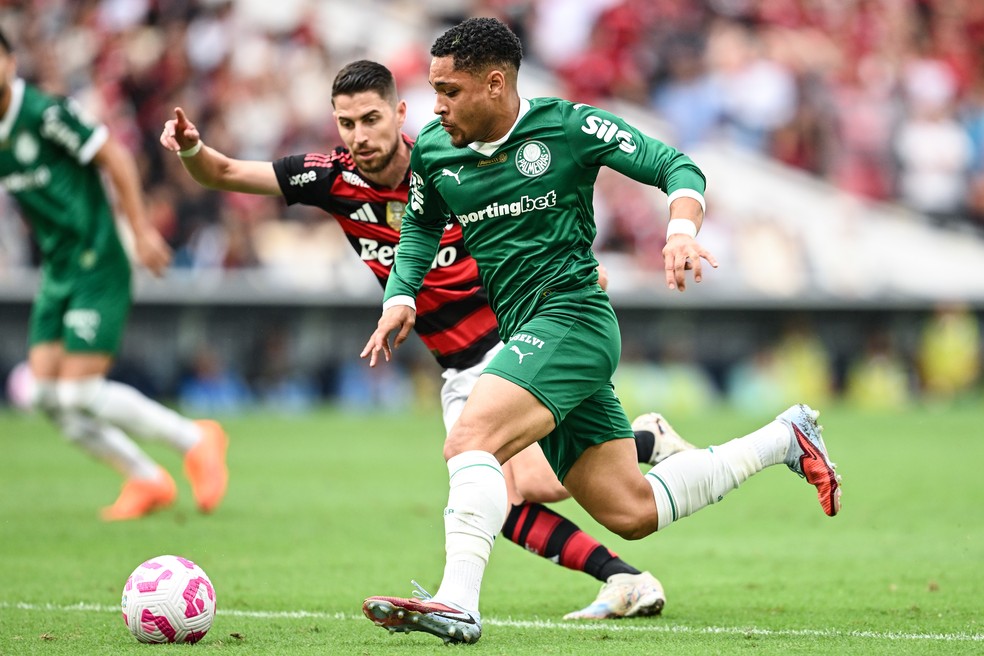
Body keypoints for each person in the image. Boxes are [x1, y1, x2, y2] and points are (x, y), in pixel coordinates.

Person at [360, 17, 842, 645]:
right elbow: (422, 225)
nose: (437, 106)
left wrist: (680, 232)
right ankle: (785, 437)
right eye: (434, 91)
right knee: (631, 511)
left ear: (495, 84)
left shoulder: (568, 128)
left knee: (470, 439)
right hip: (530, 331)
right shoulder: (433, 149)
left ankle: (457, 603)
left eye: (449, 91)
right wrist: (400, 296)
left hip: (573, 320)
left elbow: (676, 166)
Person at [159, 59, 696, 620]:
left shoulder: (449, 163)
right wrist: (193, 149)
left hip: (511, 341)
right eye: (347, 123)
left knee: (513, 481)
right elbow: (224, 172)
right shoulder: (330, 179)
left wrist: (575, 271)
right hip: (456, 364)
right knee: (506, 500)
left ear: (399, 114)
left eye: (371, 119)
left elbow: (529, 220)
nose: (360, 136)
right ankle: (629, 545)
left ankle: (627, 508)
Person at [0, 29, 228, 521]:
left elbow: (115, 156)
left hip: (97, 257)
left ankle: (195, 439)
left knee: (78, 391)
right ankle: (146, 478)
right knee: (45, 395)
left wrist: (140, 230)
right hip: (58, 267)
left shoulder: (45, 113)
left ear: (11, 61)